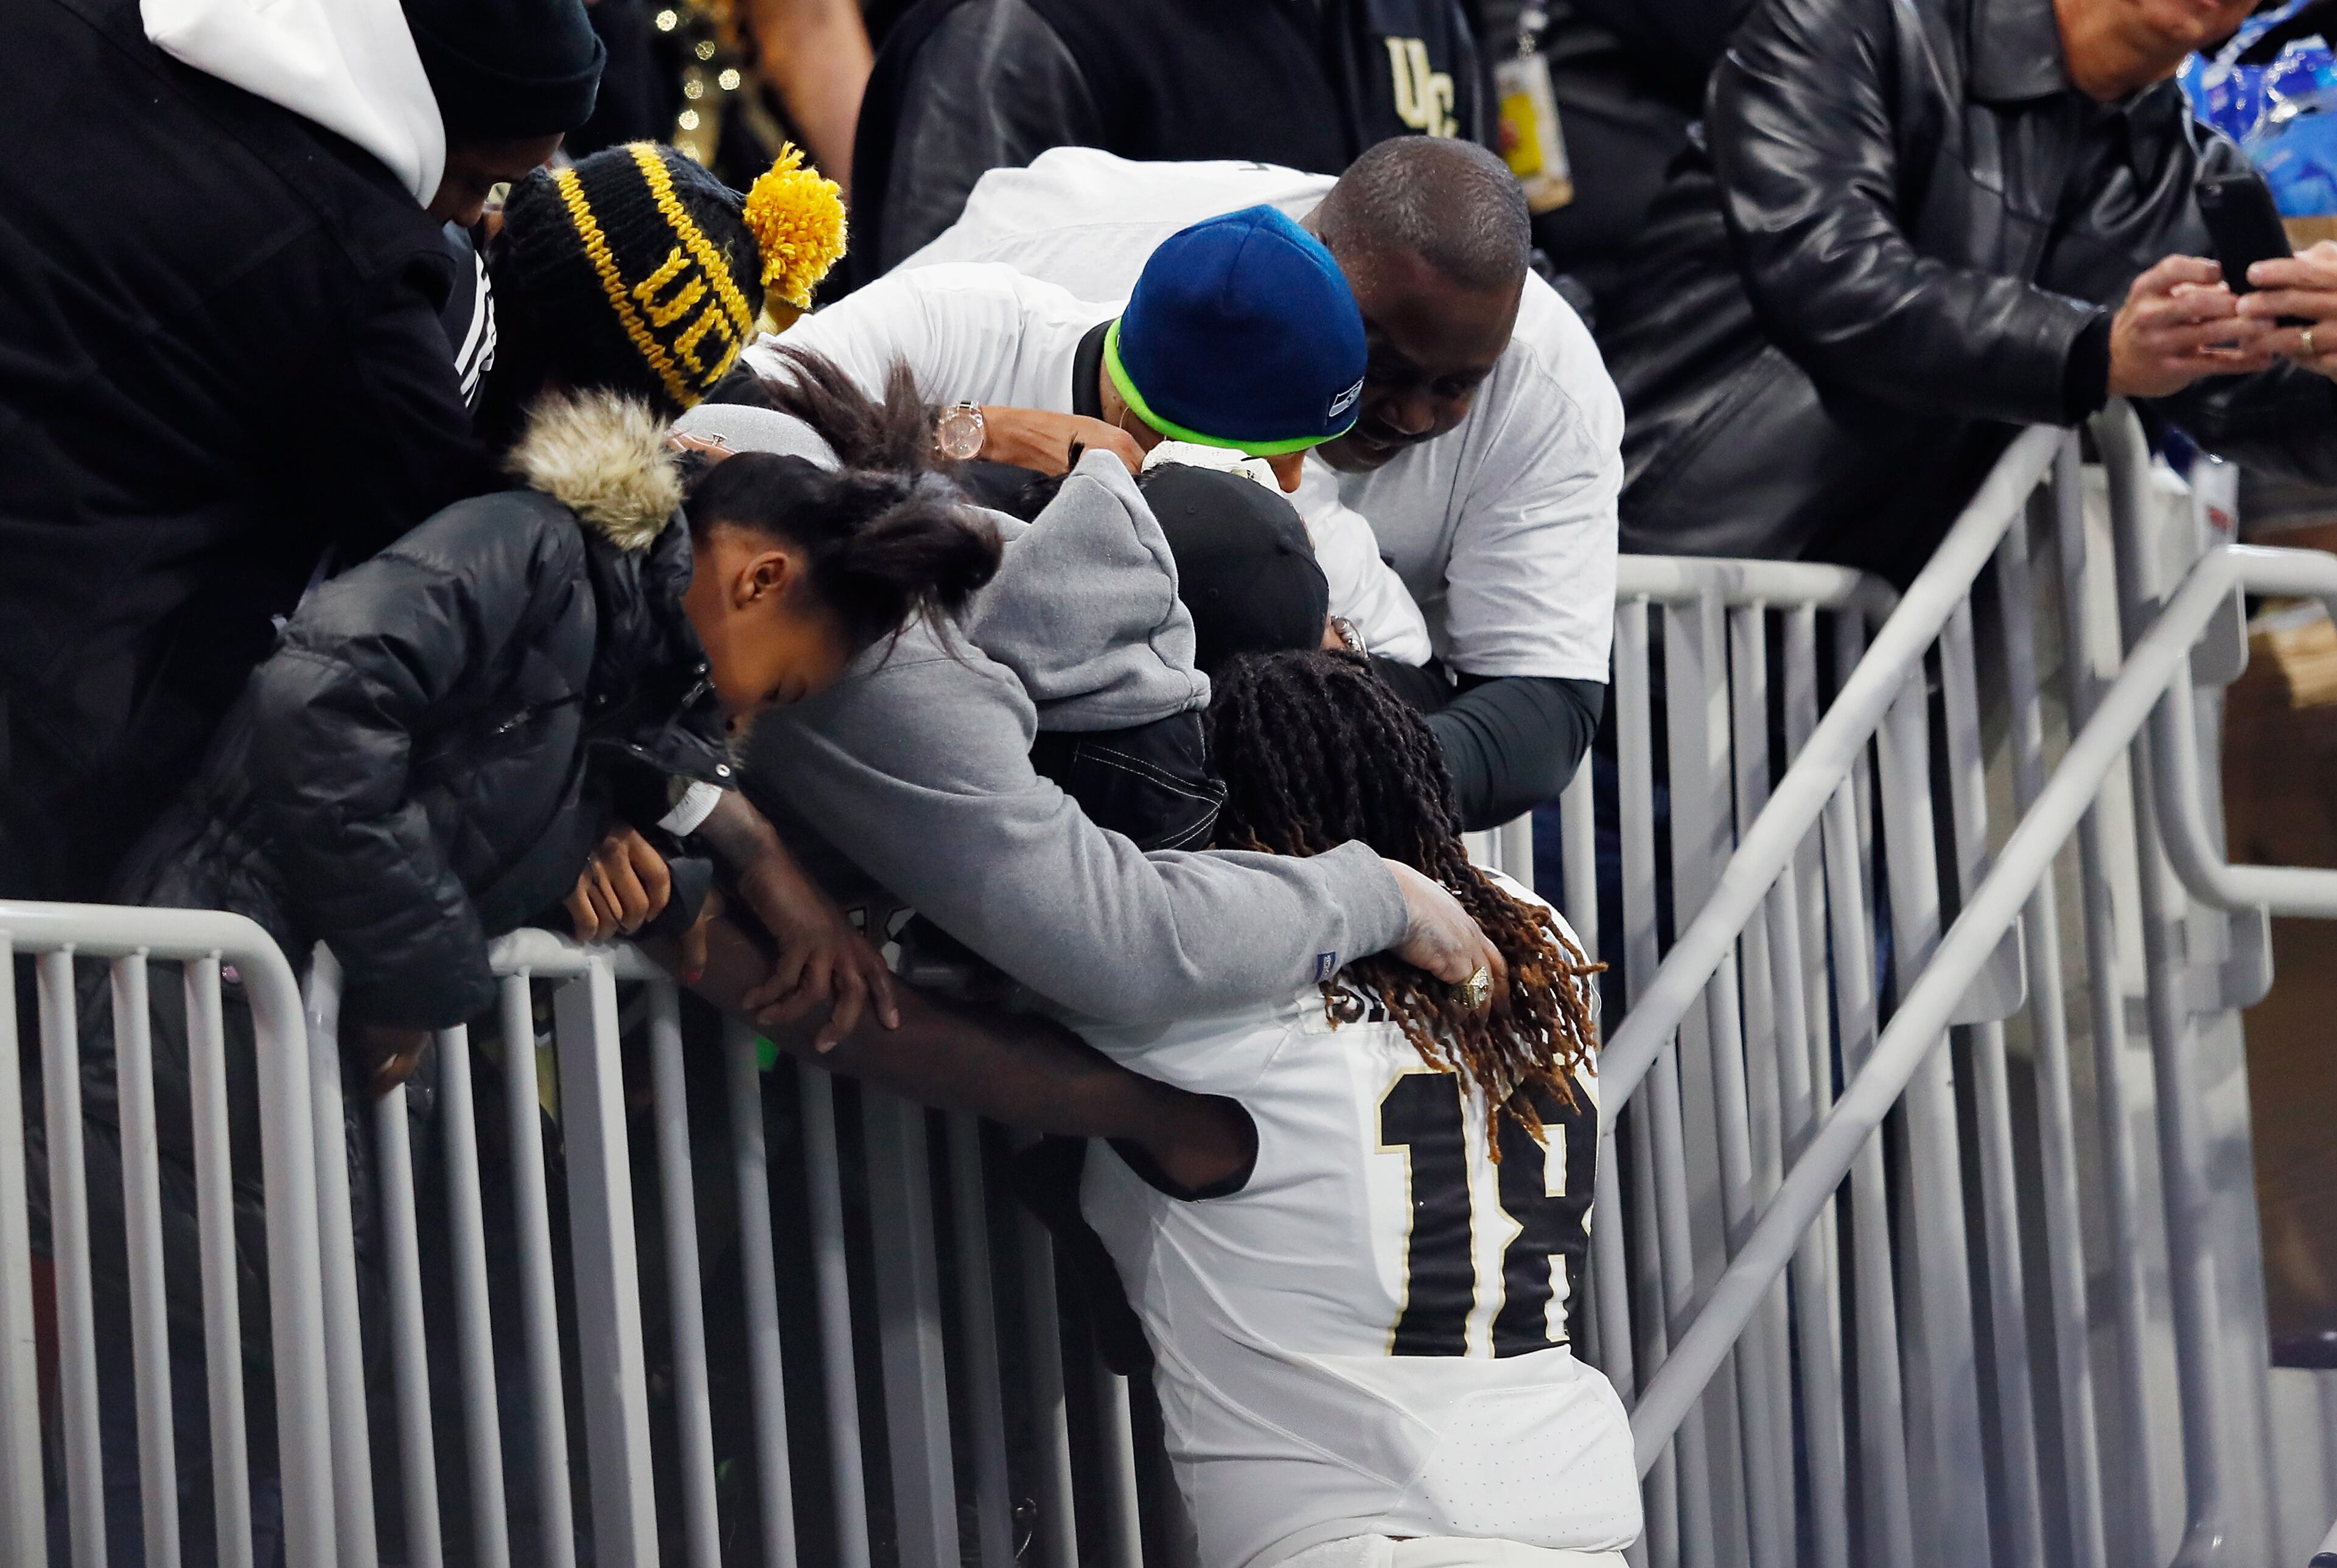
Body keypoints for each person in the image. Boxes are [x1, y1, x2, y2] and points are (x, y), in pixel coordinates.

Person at [673, 650, 1640, 1567]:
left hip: (1366, 1532)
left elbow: (904, 1025)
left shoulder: (1223, 997)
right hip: (1578, 1514)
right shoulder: (1541, 942)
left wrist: (666, 905)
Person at [672, 360, 1501, 1033]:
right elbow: (1131, 948)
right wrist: (1374, 898)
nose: (739, 721)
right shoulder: (890, 675)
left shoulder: (809, 486)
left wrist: (745, 845)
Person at [0, 0, 606, 905]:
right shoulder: (361, 275)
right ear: (423, 99)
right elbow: (466, 583)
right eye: (478, 179)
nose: (465, 217)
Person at [893, 136, 1618, 828]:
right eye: (1382, 364)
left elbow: (1538, 709)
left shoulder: (1544, 385)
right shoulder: (1068, 279)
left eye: (1457, 386)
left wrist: (1284, 772)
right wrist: (979, 430)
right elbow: (827, 441)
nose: (1413, 414)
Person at [1593, 0, 2337, 582]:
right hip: (1643, 571)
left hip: (1870, 656)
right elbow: (1827, 274)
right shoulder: (1859, 20)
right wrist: (2094, 350)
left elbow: (2263, 408)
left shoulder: (2191, 182)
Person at [758, 204, 1441, 677]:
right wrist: (979, 432)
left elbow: (1416, 673)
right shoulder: (966, 323)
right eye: (1273, 455)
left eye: (1309, 449)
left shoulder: (1285, 502)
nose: (1291, 482)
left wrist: (1321, 644)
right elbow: (726, 418)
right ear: (1161, 428)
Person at [839, 0, 1487, 284]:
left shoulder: (1419, 13)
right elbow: (939, 363)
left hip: (1396, 500)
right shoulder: (1016, 28)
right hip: (1122, 502)